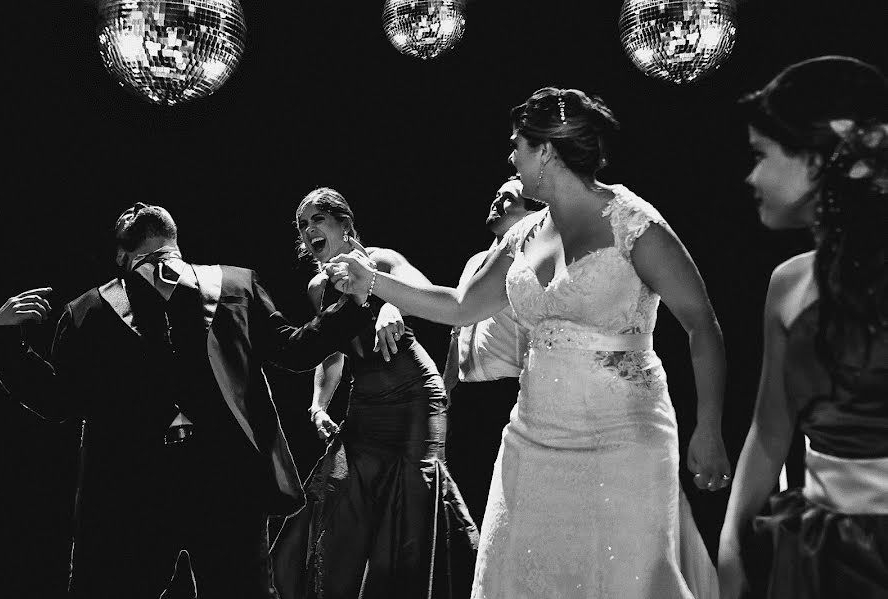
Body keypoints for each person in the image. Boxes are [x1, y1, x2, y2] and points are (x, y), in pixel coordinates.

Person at [327, 87, 730, 598]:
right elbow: (460, 306)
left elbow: (702, 324)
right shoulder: (523, 235)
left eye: (517, 144)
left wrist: (710, 427)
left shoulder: (635, 225)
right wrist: (373, 281)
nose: (510, 156)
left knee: (623, 577)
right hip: (534, 435)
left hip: (626, 435)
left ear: (546, 151)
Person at [0, 203, 380, 599]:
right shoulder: (86, 311)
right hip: (132, 492)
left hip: (227, 482)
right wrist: (1, 344)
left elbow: (293, 351)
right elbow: (58, 400)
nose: (139, 206)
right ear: (120, 258)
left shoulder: (236, 285)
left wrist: (355, 303)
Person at [718, 56, 888, 599]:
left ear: (821, 159)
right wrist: (730, 549)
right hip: (818, 553)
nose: (751, 176)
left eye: (760, 155)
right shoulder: (787, 284)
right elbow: (770, 432)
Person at [270, 188, 478, 599]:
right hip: (365, 405)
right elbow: (331, 354)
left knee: (416, 500)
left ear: (344, 225)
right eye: (302, 224)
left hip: (415, 395)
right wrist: (317, 404)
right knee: (336, 496)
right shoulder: (318, 287)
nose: (309, 229)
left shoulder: (380, 259)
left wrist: (389, 304)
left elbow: (425, 295)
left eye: (317, 219)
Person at [442, 174, 542, 527]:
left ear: (533, 210)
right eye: (496, 195)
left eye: (508, 199)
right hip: (468, 399)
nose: (497, 202)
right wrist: (447, 389)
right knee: (463, 507)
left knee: (503, 509)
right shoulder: (476, 261)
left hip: (507, 394)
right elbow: (459, 330)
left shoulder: (532, 262)